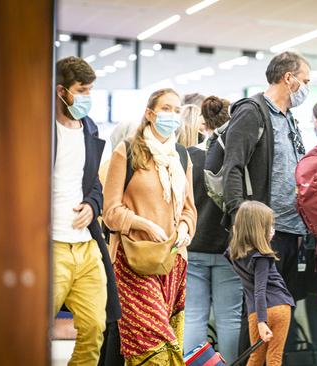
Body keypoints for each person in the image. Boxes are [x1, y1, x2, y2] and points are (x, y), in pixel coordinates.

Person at [103, 88, 197, 365]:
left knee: (167, 336)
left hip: (173, 260)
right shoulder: (128, 151)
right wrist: (142, 223)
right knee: (152, 341)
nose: (172, 115)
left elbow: (190, 208)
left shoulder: (181, 155)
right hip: (134, 259)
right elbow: (110, 211)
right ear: (149, 113)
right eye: (166, 108)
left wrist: (184, 228)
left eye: (176, 109)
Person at [222, 51, 310, 298]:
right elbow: (234, 166)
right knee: (259, 312)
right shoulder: (252, 111)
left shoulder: (289, 118)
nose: (307, 88)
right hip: (263, 231)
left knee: (282, 309)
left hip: (291, 230)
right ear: (289, 78)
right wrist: (241, 219)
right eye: (306, 81)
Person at [52, 56, 119, 365]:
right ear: (61, 91)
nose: (87, 97)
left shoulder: (89, 128)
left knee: (94, 328)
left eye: (91, 90)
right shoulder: (40, 130)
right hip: (49, 246)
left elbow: (94, 184)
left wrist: (93, 206)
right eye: (81, 90)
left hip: (86, 245)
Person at [183, 96, 243, 362]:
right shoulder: (236, 158)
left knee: (194, 316)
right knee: (229, 317)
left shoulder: (188, 157)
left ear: (203, 123)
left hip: (193, 245)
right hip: (228, 248)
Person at [225, 201, 295, 366]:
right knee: (274, 358)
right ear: (258, 229)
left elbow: (251, 284)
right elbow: (260, 289)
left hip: (254, 312)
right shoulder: (262, 257)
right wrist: (262, 322)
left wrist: (259, 319)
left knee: (255, 357)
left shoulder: (233, 254)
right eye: (269, 225)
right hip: (277, 307)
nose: (272, 230)